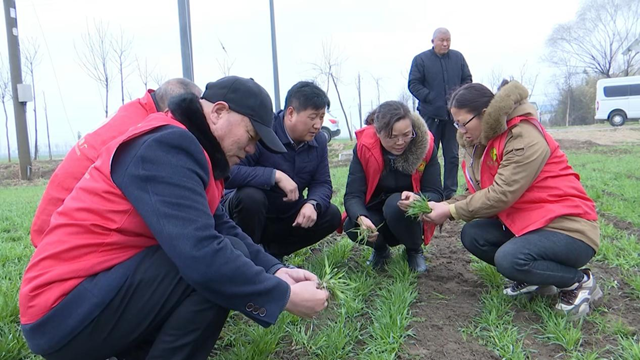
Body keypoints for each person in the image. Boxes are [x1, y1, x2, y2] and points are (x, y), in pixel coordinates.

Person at [19, 76, 330, 360]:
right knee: (209, 270)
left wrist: (277, 270)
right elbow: (202, 254)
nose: (250, 150)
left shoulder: (192, 151)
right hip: (60, 311)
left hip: (95, 295)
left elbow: (223, 227)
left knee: (220, 259)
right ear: (218, 112)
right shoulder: (168, 146)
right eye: (250, 136)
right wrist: (284, 296)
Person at [423, 81, 602, 318]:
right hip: (531, 225)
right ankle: (536, 281)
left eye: (463, 123)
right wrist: (441, 206)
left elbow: (501, 194)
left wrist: (451, 211)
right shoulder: (483, 143)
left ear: (485, 114)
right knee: (474, 234)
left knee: (510, 259)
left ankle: (579, 281)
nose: (460, 131)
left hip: (568, 229)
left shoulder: (522, 135)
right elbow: (479, 193)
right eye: (456, 123)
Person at [30, 78, 202, 248]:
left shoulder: (135, 111)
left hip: (51, 221)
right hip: (62, 234)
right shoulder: (140, 130)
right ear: (175, 109)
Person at [223, 81, 341, 261]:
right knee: (251, 197)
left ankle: (271, 255)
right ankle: (246, 257)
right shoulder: (264, 130)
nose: (318, 125)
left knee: (331, 215)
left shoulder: (319, 142)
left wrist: (313, 203)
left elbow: (322, 182)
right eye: (313, 117)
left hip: (285, 213)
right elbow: (229, 173)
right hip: (248, 212)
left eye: (322, 117)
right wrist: (273, 175)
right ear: (291, 113)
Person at [340, 101, 443, 273]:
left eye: (406, 134)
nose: (400, 142)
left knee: (395, 204)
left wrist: (420, 200)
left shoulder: (426, 146)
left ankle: (414, 250)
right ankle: (381, 250)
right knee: (352, 225)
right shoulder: (365, 148)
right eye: (392, 136)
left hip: (409, 218)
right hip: (377, 215)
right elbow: (353, 195)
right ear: (377, 132)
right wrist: (361, 218)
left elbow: (436, 193)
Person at [408, 27, 472, 200]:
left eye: (448, 40)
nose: (445, 43)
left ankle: (449, 192)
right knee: (428, 154)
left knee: (452, 155)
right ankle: (428, 191)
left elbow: (467, 79)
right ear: (433, 41)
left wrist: (459, 97)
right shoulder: (421, 60)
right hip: (430, 116)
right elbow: (413, 84)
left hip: (453, 118)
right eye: (441, 40)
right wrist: (429, 97)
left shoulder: (458, 58)